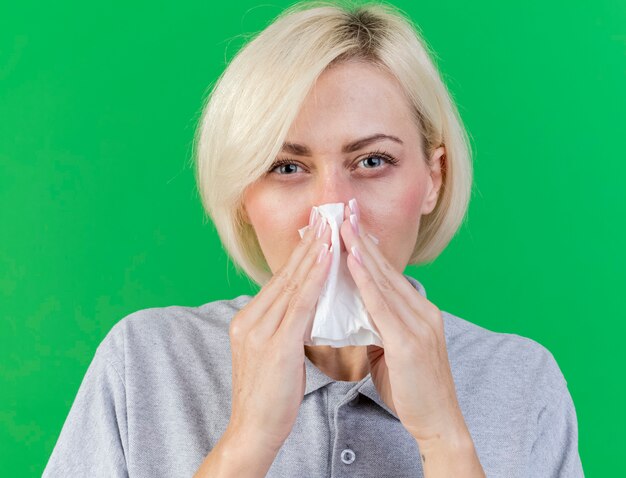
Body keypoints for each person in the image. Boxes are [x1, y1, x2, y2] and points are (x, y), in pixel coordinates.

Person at [43, 1, 585, 477]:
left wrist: (445, 438)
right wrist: (248, 441)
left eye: (373, 161)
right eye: (286, 166)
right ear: (242, 198)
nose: (332, 209)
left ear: (432, 179)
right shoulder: (145, 362)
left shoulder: (523, 380)